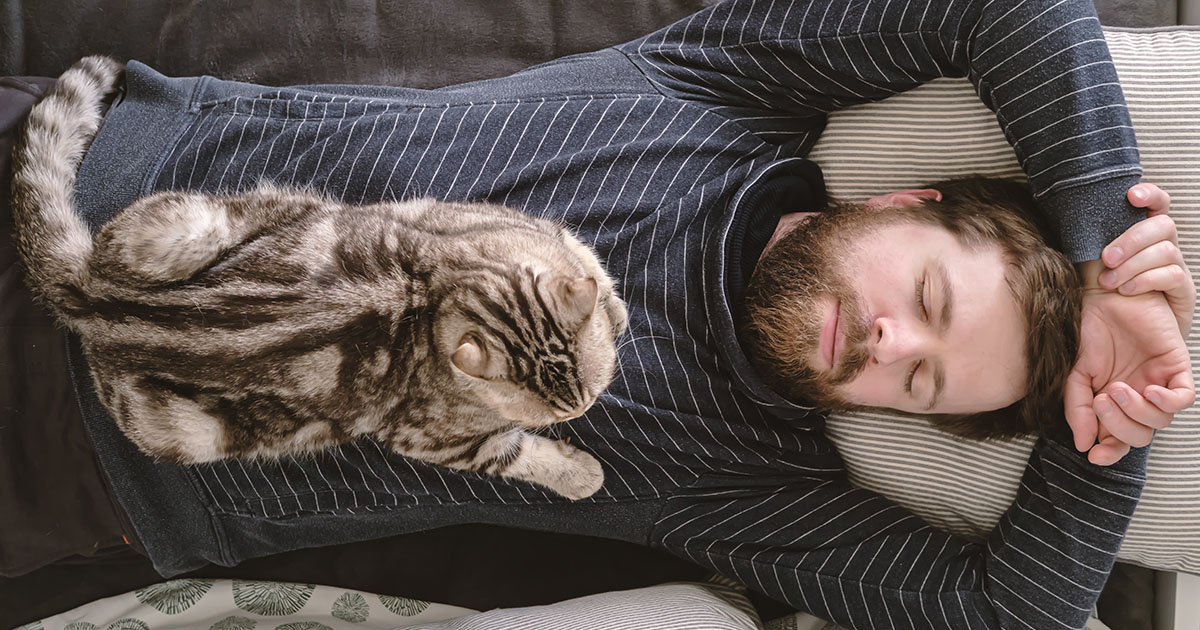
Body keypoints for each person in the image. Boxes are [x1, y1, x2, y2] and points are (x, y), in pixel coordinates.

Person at [31, 0, 1194, 628]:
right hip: (89, 175)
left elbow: (1016, 611)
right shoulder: (723, 89)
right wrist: (1104, 250)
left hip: (94, 456)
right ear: (905, 202)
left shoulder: (761, 493)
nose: (893, 343)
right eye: (928, 297)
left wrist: (1113, 415)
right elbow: (1005, 8)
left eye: (921, 382)